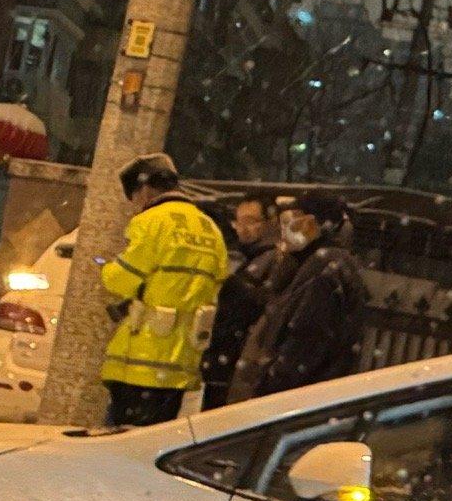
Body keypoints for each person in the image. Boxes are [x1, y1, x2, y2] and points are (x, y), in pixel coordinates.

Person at [97, 153, 229, 426]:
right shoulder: (210, 229)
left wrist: (107, 268)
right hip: (182, 361)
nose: (135, 206)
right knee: (156, 440)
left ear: (144, 189)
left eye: (133, 197)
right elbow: (218, 283)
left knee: (121, 440)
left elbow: (120, 280)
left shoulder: (151, 221)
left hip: (141, 360)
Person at [228, 193, 367, 402]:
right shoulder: (324, 264)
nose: (285, 230)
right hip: (308, 394)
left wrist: (269, 385)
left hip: (291, 397)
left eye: (291, 221)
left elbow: (305, 339)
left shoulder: (322, 271)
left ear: (314, 223)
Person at [201, 196, 278, 410]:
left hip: (242, 359)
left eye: (251, 221)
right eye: (239, 221)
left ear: (271, 222)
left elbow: (254, 305)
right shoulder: (240, 258)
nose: (243, 228)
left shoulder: (275, 261)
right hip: (226, 359)